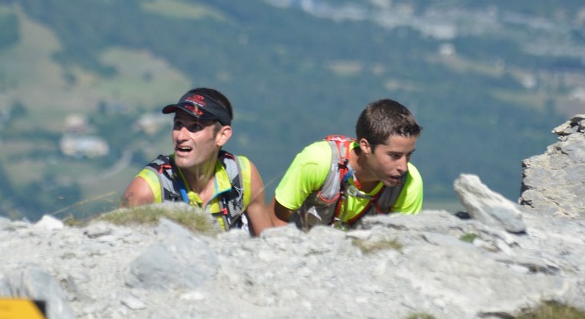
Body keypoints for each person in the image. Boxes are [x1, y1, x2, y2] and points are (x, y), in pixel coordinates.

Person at [120, 87, 274, 236]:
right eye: (178, 124)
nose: (181, 136)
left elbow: (270, 245)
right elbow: (119, 246)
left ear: (222, 135)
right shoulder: (147, 188)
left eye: (195, 127)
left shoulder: (241, 175)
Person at [272, 99, 423, 230]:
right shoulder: (318, 160)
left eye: (409, 154)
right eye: (394, 155)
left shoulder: (410, 181)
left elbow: (403, 240)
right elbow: (278, 217)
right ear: (366, 146)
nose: (403, 167)